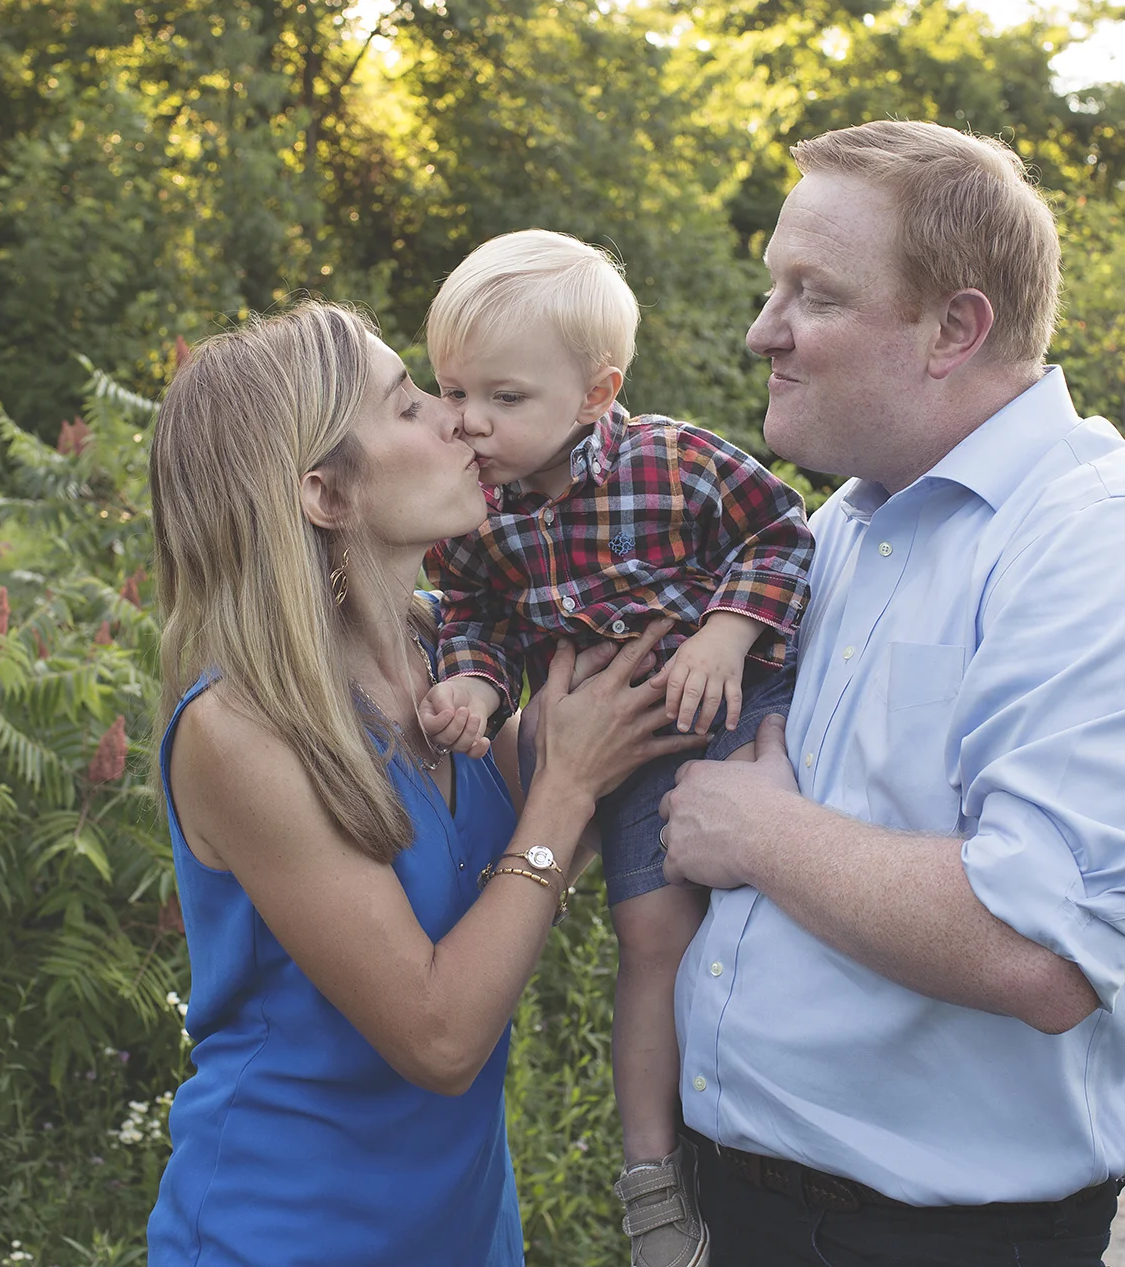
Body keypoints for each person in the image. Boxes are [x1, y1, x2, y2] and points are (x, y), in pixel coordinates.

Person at [656, 120, 1125, 1266]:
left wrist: (759, 831)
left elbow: (1036, 948)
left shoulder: (1117, 543)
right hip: (737, 1215)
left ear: (955, 327)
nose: (763, 332)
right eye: (770, 288)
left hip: (931, 1243)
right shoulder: (837, 530)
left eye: (814, 294)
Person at [142, 300, 704, 1266]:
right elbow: (439, 1037)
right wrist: (562, 793)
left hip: (465, 1228)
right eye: (408, 406)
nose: (457, 420)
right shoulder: (239, 729)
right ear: (326, 495)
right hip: (284, 1230)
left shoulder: (455, 653)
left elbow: (581, 771)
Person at [419, 229, 814, 1267]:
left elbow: (779, 531)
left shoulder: (671, 460)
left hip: (713, 708)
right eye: (451, 390)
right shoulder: (478, 512)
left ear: (597, 393)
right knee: (637, 936)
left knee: (684, 935)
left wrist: (729, 631)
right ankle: (652, 1180)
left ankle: (709, 1154)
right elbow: (472, 613)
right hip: (601, 739)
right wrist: (471, 676)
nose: (467, 421)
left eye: (504, 398)